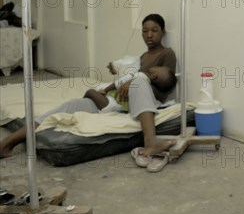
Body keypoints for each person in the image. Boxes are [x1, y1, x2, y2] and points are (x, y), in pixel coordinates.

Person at [0, 14, 178, 168]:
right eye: (145, 31)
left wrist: (135, 81)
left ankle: (151, 142)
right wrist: (119, 73)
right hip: (120, 101)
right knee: (71, 106)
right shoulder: (143, 57)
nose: (149, 35)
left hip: (147, 101)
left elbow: (165, 85)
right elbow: (128, 75)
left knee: (138, 81)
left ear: (162, 32)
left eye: (154, 30)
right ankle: (9, 142)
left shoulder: (167, 54)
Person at [84, 65, 177, 114]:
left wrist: (106, 90)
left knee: (90, 92)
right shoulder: (148, 88)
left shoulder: (142, 75)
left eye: (159, 68)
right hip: (120, 109)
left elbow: (119, 82)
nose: (157, 66)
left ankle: (83, 101)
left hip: (111, 104)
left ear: (154, 76)